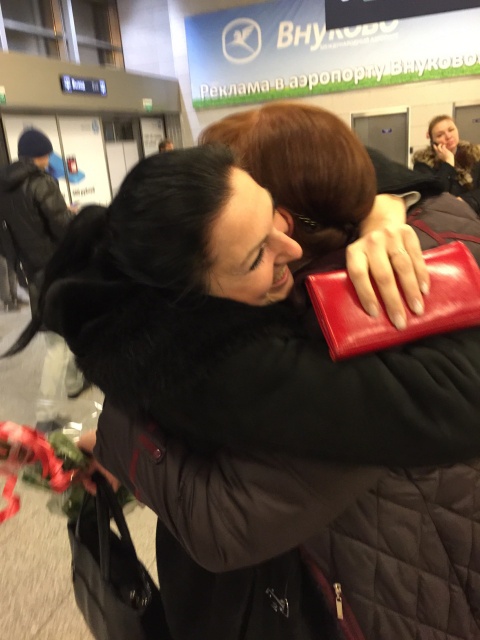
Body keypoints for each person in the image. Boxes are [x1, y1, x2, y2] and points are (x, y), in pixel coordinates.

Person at [9, 145, 480, 640]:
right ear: (191, 298)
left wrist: (381, 209)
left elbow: (220, 525)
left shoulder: (194, 326)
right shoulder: (234, 369)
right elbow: (224, 522)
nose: (291, 247)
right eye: (258, 256)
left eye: (275, 211)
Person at [0, 128, 87, 425]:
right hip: (55, 268)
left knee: (66, 327)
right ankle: (45, 415)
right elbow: (63, 227)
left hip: (30, 270)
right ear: (43, 154)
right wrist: (73, 215)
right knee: (57, 343)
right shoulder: (41, 182)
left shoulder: (4, 186)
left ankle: (74, 382)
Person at [412, 114, 480, 216]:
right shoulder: (423, 164)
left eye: (451, 130)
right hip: (444, 220)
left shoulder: (474, 155)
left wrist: (465, 201)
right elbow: (435, 197)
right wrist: (448, 164)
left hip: (474, 217)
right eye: (440, 135)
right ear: (433, 141)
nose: (448, 136)